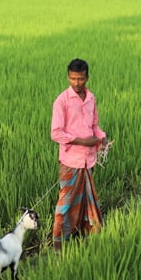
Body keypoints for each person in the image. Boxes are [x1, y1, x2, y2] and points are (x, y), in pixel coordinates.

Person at [50, 58, 109, 252]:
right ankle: (58, 243)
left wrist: (102, 138)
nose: (77, 83)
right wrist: (83, 142)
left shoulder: (91, 99)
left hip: (87, 160)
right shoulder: (62, 101)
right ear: (68, 77)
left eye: (81, 79)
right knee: (65, 204)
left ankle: (82, 232)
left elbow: (94, 126)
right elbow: (56, 133)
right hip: (70, 161)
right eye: (73, 79)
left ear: (87, 78)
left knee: (84, 199)